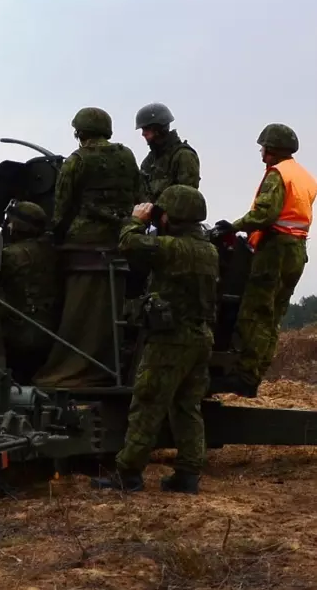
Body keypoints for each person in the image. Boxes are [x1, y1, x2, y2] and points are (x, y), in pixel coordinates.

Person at [91, 185, 218, 494]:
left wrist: (135, 219)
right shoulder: (208, 250)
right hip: (200, 337)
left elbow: (129, 245)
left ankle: (128, 473)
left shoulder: (173, 248)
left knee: (147, 403)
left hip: (170, 340)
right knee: (187, 406)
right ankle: (187, 474)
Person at [34, 107, 143, 388]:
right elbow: (139, 195)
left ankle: (74, 365)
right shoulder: (127, 156)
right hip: (120, 241)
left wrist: (50, 237)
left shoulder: (77, 160)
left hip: (84, 246)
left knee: (77, 309)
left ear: (80, 132)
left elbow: (62, 208)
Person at [213, 123, 317, 398]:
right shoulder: (304, 176)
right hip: (297, 250)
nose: (261, 153)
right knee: (273, 317)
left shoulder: (277, 174)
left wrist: (232, 227)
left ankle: (243, 377)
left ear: (273, 149)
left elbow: (264, 215)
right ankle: (255, 374)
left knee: (255, 313)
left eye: (264, 148)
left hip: (275, 250)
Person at [0, 200, 61, 384]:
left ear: (17, 226)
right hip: (51, 331)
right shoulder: (52, 251)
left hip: (21, 335)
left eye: (9, 221)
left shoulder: (10, 256)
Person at [135, 102, 201, 202]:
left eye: (146, 128)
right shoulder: (149, 161)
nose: (143, 134)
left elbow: (187, 199)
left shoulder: (183, 155)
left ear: (158, 128)